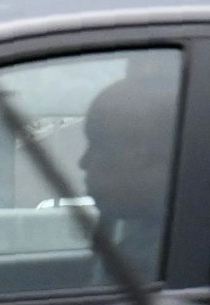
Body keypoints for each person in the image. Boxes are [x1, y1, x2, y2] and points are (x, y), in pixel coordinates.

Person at [76, 70, 179, 282]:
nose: (83, 162)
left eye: (98, 146)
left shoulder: (158, 265)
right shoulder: (145, 240)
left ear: (142, 151)